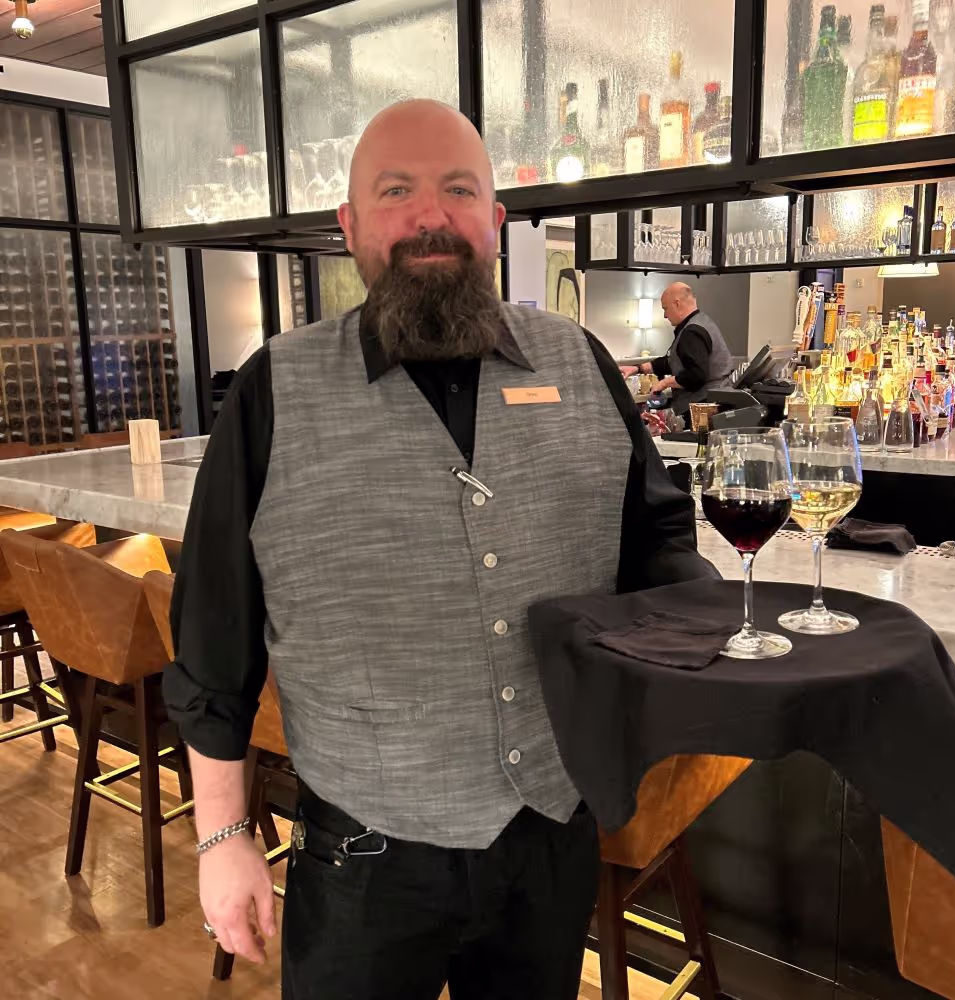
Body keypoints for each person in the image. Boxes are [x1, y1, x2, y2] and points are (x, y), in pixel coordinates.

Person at [164, 99, 718, 1000]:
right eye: (397, 191)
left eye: (459, 189)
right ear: (349, 227)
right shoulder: (277, 387)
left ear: (494, 221)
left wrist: (709, 637)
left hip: (547, 837)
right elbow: (213, 639)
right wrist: (224, 842)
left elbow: (655, 542)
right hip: (363, 859)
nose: (431, 216)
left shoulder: (576, 363)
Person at [635, 282, 735, 417]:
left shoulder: (691, 332)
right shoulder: (702, 321)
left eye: (665, 308)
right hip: (718, 402)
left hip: (702, 409)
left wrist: (664, 383)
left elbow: (696, 376)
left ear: (677, 304)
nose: (665, 315)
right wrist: (638, 368)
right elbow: (674, 361)